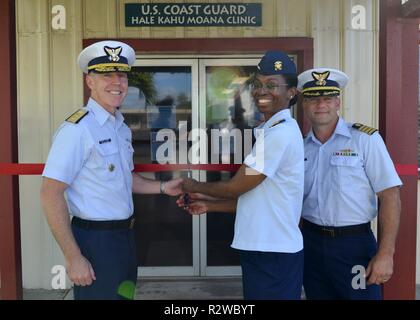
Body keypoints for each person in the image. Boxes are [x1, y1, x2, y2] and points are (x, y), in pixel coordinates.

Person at [40, 40, 182, 300]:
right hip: (95, 243)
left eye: (121, 75)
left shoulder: (120, 127)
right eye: (106, 75)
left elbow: (127, 178)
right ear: (89, 81)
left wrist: (163, 187)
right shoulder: (77, 129)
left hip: (124, 238)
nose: (117, 82)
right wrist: (73, 257)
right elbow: (50, 193)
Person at [180, 51, 305, 300]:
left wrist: (192, 184)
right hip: (265, 249)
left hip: (272, 253)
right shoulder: (272, 132)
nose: (261, 91)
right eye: (258, 85)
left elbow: (235, 187)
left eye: (272, 85)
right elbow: (257, 200)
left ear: (292, 92)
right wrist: (209, 205)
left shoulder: (278, 135)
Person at [297, 68, 402, 300]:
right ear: (304, 104)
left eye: (327, 98)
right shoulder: (300, 147)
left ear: (338, 102)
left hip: (353, 246)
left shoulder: (365, 139)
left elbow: (390, 195)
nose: (320, 104)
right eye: (313, 98)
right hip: (311, 243)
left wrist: (386, 253)